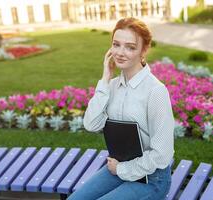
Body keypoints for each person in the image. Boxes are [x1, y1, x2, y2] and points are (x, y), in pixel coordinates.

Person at [67, 17, 175, 200]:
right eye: (116, 45)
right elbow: (91, 124)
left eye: (130, 47)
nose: (120, 53)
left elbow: (162, 155)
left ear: (144, 50)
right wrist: (105, 79)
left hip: (151, 179)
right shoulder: (113, 86)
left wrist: (122, 169)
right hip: (118, 168)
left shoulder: (155, 91)